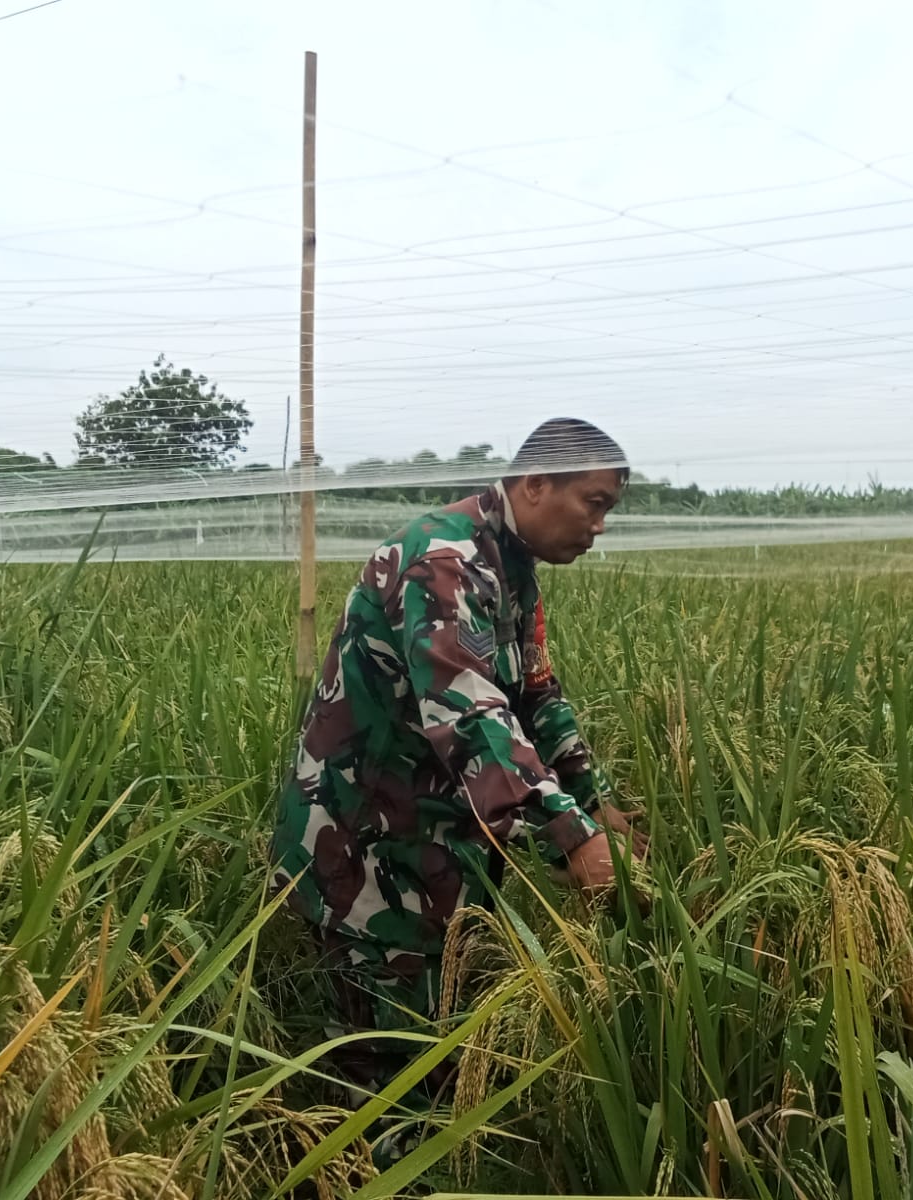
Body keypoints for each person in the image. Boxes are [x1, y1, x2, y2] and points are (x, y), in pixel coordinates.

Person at [268, 417, 642, 1107]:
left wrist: (593, 798)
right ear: (535, 483)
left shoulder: (509, 565)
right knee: (383, 1067)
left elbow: (533, 690)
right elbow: (470, 710)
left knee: (435, 1036)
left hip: (433, 840)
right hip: (365, 848)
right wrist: (568, 834)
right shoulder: (444, 560)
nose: (599, 527)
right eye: (594, 503)